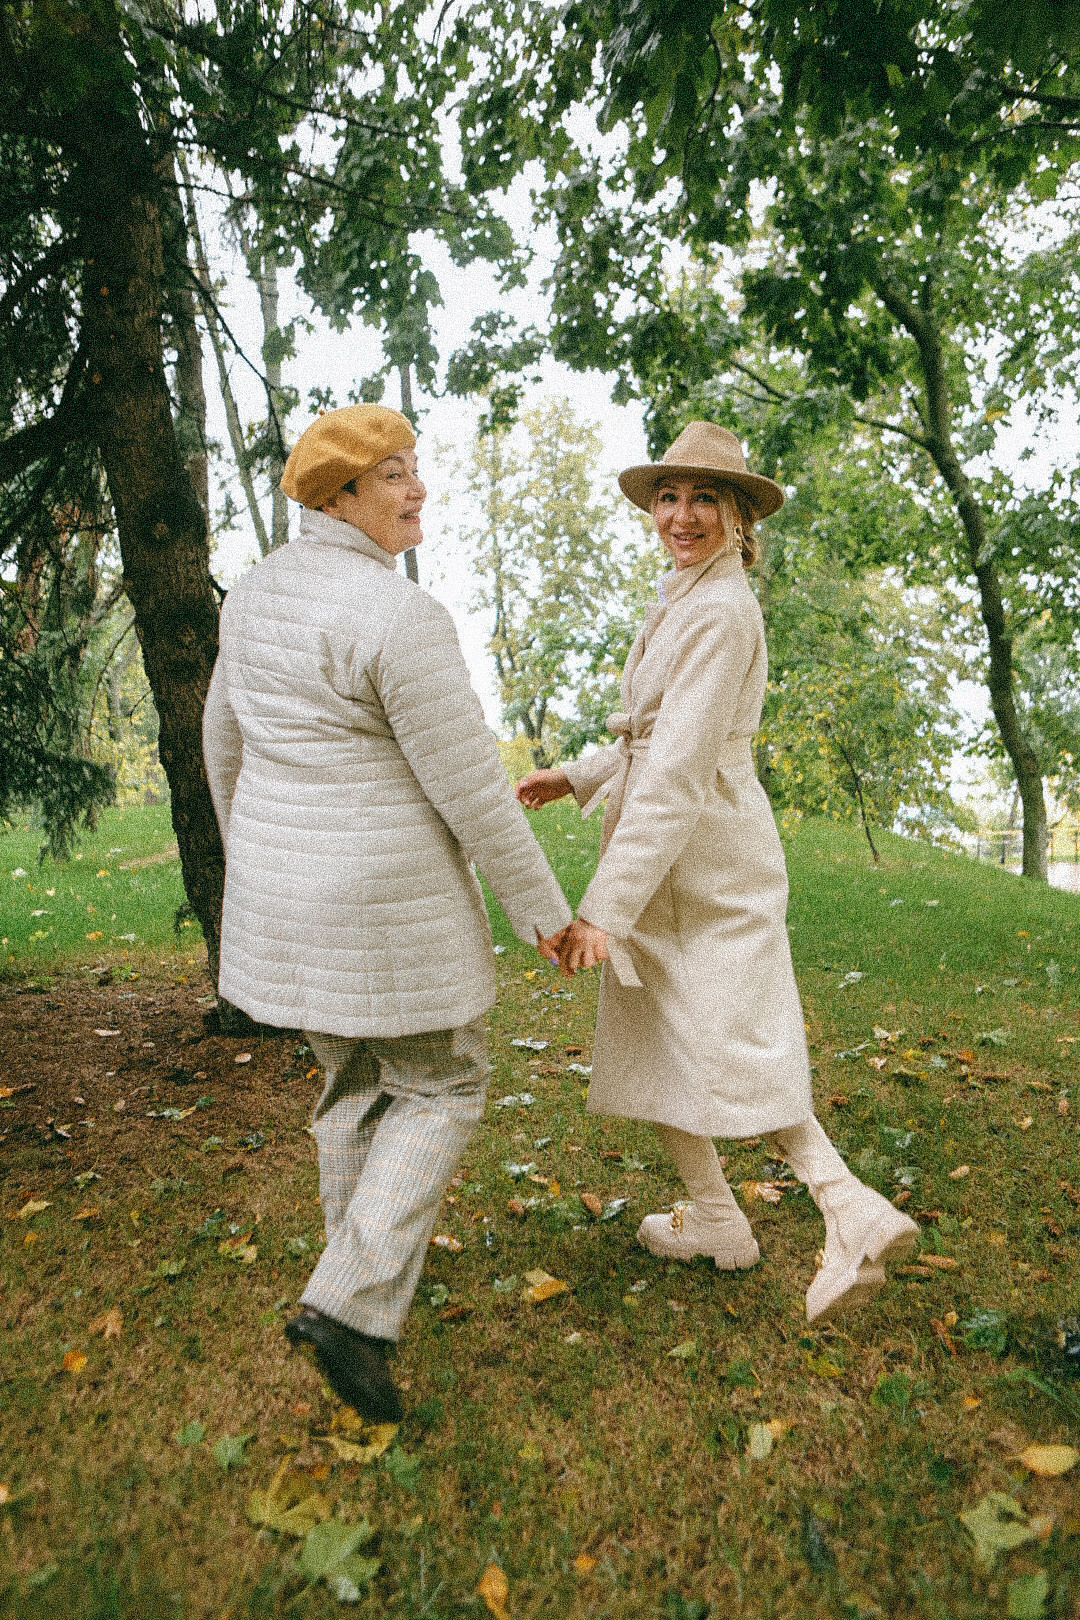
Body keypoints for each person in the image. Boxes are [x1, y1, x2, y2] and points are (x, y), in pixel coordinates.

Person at [202, 404, 571, 1419]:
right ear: (338, 498)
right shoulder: (400, 617)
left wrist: (259, 870)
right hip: (384, 900)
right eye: (392, 475)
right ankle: (353, 1311)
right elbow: (470, 790)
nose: (417, 491)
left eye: (415, 470)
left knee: (352, 1080)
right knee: (440, 1080)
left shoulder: (258, 593)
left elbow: (220, 746)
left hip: (291, 897)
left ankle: (352, 1277)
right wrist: (545, 912)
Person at [516, 420, 917, 1322]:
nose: (681, 515)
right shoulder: (691, 592)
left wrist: (603, 909)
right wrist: (578, 774)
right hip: (684, 841)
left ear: (742, 519)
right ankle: (717, 1219)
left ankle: (844, 1203)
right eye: (669, 497)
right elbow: (656, 735)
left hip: (700, 852)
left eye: (706, 499)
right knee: (664, 1029)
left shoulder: (722, 611)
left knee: (728, 1033)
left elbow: (680, 770)